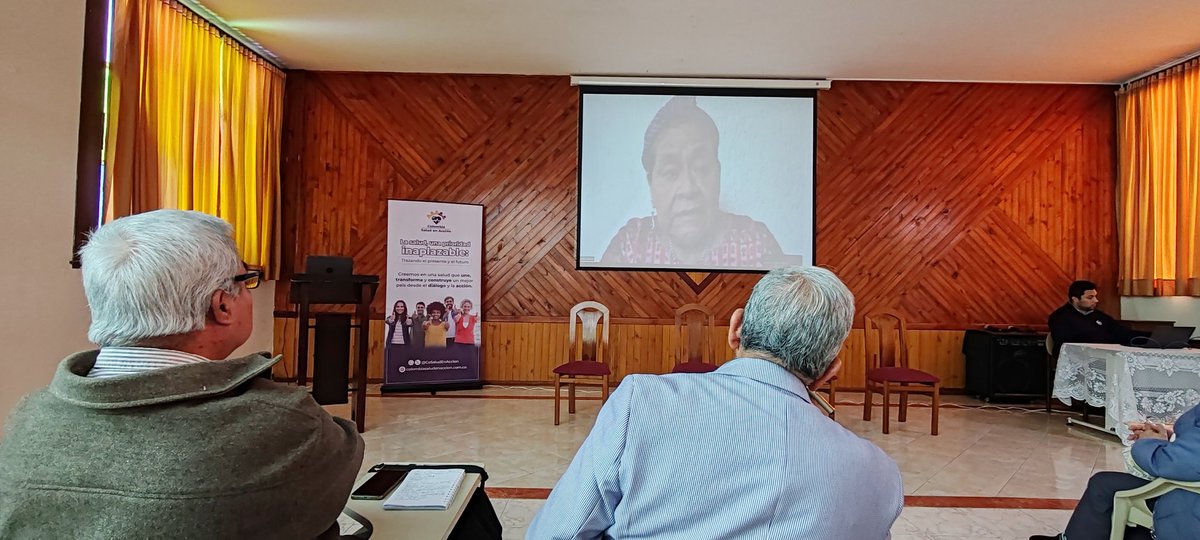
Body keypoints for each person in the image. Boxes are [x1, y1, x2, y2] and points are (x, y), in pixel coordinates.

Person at [0, 210, 364, 539]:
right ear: (222, 305)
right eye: (247, 280)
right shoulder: (282, 423)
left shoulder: (27, 417)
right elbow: (343, 456)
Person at [527, 266, 903, 539]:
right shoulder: (880, 477)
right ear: (831, 369)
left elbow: (555, 533)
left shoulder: (641, 402)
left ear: (735, 329)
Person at [600, 96, 786, 268]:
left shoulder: (755, 241)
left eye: (702, 168)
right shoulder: (632, 242)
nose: (688, 189)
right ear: (651, 184)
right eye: (671, 173)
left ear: (718, 175)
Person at [1030, 403, 1200, 540]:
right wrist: (1172, 437)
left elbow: (1171, 464)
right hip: (1186, 493)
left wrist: (1150, 443)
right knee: (1105, 483)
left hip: (1186, 506)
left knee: (1105, 485)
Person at [1048, 280, 1143, 355]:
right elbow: (1065, 346)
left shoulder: (1097, 315)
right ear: (1075, 299)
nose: (1096, 300)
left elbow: (1120, 332)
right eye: (1090, 298)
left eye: (1095, 296)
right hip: (1081, 359)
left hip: (1107, 354)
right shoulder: (1060, 318)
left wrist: (1149, 337)